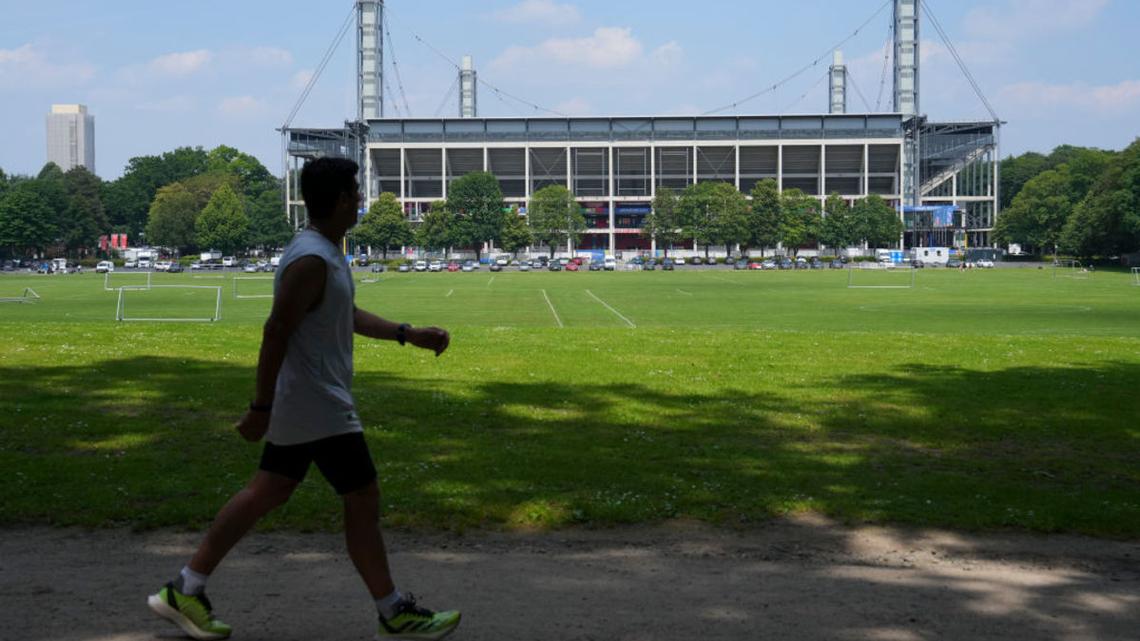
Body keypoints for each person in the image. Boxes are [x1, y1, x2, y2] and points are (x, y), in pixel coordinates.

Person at [147, 157, 460, 641]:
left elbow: (344, 313)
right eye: (356, 193)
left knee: (268, 491)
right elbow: (276, 330)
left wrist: (406, 334)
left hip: (309, 401)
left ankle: (186, 587)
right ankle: (394, 611)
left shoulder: (324, 253)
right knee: (362, 495)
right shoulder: (311, 258)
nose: (361, 200)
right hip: (318, 403)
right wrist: (260, 407)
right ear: (338, 200)